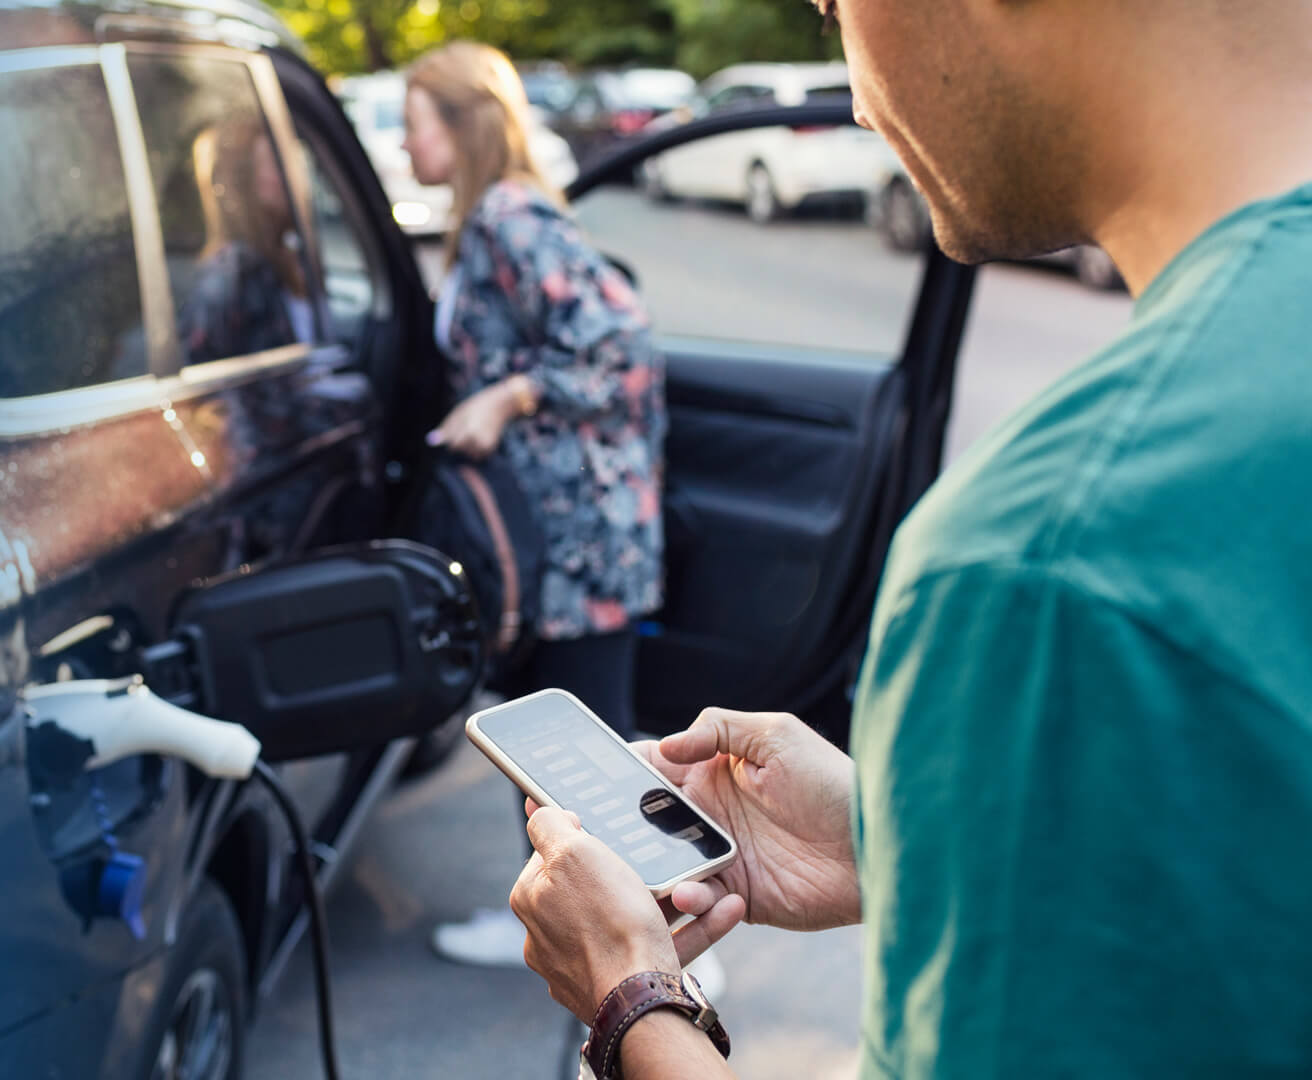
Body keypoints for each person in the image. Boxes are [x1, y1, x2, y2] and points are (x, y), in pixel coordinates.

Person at [510, 1, 1312, 1076]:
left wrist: (631, 999)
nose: (851, 83)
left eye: (835, 5)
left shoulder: (1050, 564)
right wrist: (895, 843)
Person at [400, 42, 675, 971]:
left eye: (415, 122)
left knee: (587, 743)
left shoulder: (510, 217)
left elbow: (622, 346)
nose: (404, 144)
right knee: (548, 746)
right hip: (545, 536)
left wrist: (507, 396)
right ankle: (555, 924)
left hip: (581, 536)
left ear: (463, 123)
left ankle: (664, 938)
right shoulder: (489, 219)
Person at [178, 116, 316, 364]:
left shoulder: (283, 258)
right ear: (245, 183)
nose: (295, 176)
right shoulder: (233, 276)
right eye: (278, 164)